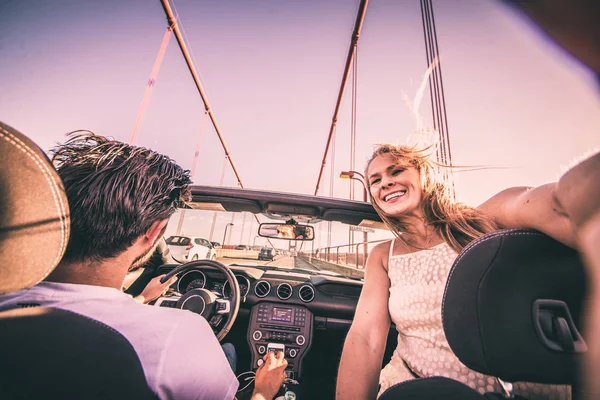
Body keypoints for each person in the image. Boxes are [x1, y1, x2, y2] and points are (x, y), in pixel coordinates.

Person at [0, 132, 287, 400]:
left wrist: (140, 299)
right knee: (228, 351)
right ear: (153, 232)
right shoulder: (181, 336)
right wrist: (263, 390)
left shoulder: (7, 305)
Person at [336, 143, 599, 399]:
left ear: (423, 174)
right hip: (418, 389)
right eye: (375, 180)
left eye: (396, 171)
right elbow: (366, 337)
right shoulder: (383, 255)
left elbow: (558, 203)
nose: (385, 183)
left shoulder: (483, 219)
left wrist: (582, 193)